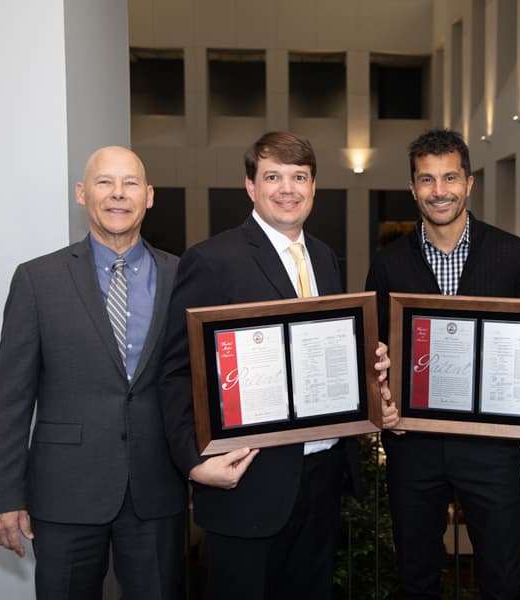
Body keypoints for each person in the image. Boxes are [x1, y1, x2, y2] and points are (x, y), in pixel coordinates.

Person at [158, 131, 398, 599]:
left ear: (313, 188)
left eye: (299, 177)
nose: (288, 189)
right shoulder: (212, 260)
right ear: (251, 186)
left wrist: (368, 363)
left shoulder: (325, 258)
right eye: (273, 176)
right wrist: (193, 462)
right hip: (249, 481)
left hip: (322, 477)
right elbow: (175, 372)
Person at [365, 128, 520, 600]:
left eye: (449, 178)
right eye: (427, 180)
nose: (439, 191)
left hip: (491, 448)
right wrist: (381, 399)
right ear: (412, 188)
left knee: (503, 578)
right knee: (415, 578)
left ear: (470, 182)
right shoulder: (389, 263)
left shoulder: (511, 255)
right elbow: (374, 355)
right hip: (413, 447)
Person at [0, 146, 188, 599]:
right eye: (104, 182)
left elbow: (196, 381)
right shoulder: (38, 280)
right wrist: (2, 496)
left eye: (131, 183)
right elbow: (10, 396)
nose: (118, 194)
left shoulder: (182, 276)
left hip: (157, 490)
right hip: (64, 492)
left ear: (149, 196)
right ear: (81, 193)